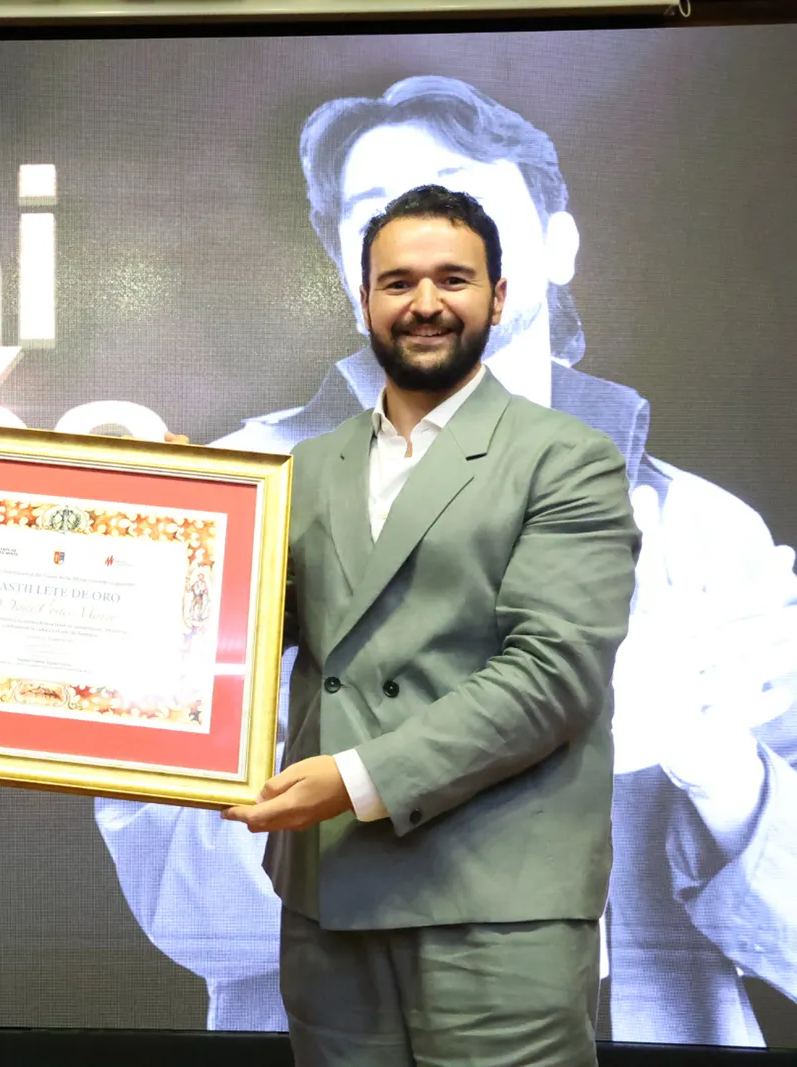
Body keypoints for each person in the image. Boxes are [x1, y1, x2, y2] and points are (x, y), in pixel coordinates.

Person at [95, 75, 797, 1046]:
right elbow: (187, 912)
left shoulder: (709, 531)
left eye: (453, 186)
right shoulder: (230, 505)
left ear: (556, 238)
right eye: (372, 211)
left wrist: (718, 765)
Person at [229, 182, 639, 1063]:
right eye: (397, 281)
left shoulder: (567, 458)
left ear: (499, 297)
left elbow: (553, 674)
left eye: (453, 279)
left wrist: (355, 777)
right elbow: (239, 637)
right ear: (362, 299)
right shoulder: (305, 466)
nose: (424, 304)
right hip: (331, 897)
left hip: (497, 907)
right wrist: (176, 530)